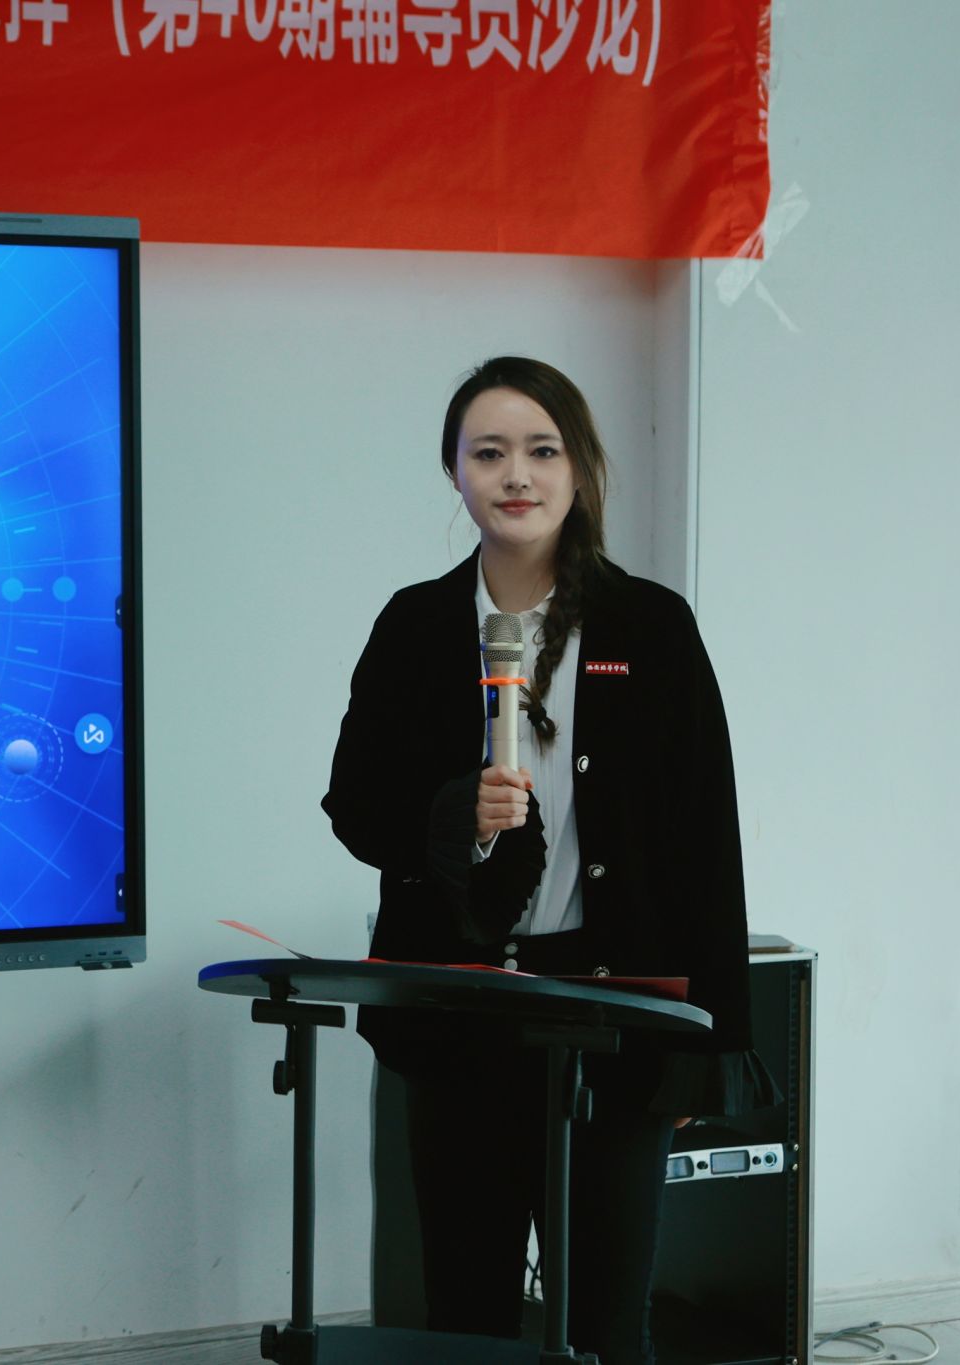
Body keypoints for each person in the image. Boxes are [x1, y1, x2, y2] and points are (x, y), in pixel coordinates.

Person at [320, 357, 776, 1365]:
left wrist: (712, 1038)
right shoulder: (412, 625)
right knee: (463, 1317)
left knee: (606, 1323)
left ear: (578, 469)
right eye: (488, 453)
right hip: (456, 1017)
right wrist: (452, 817)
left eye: (540, 450)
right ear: (453, 472)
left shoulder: (650, 626)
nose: (515, 475)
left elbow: (707, 836)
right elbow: (353, 807)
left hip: (614, 1020)